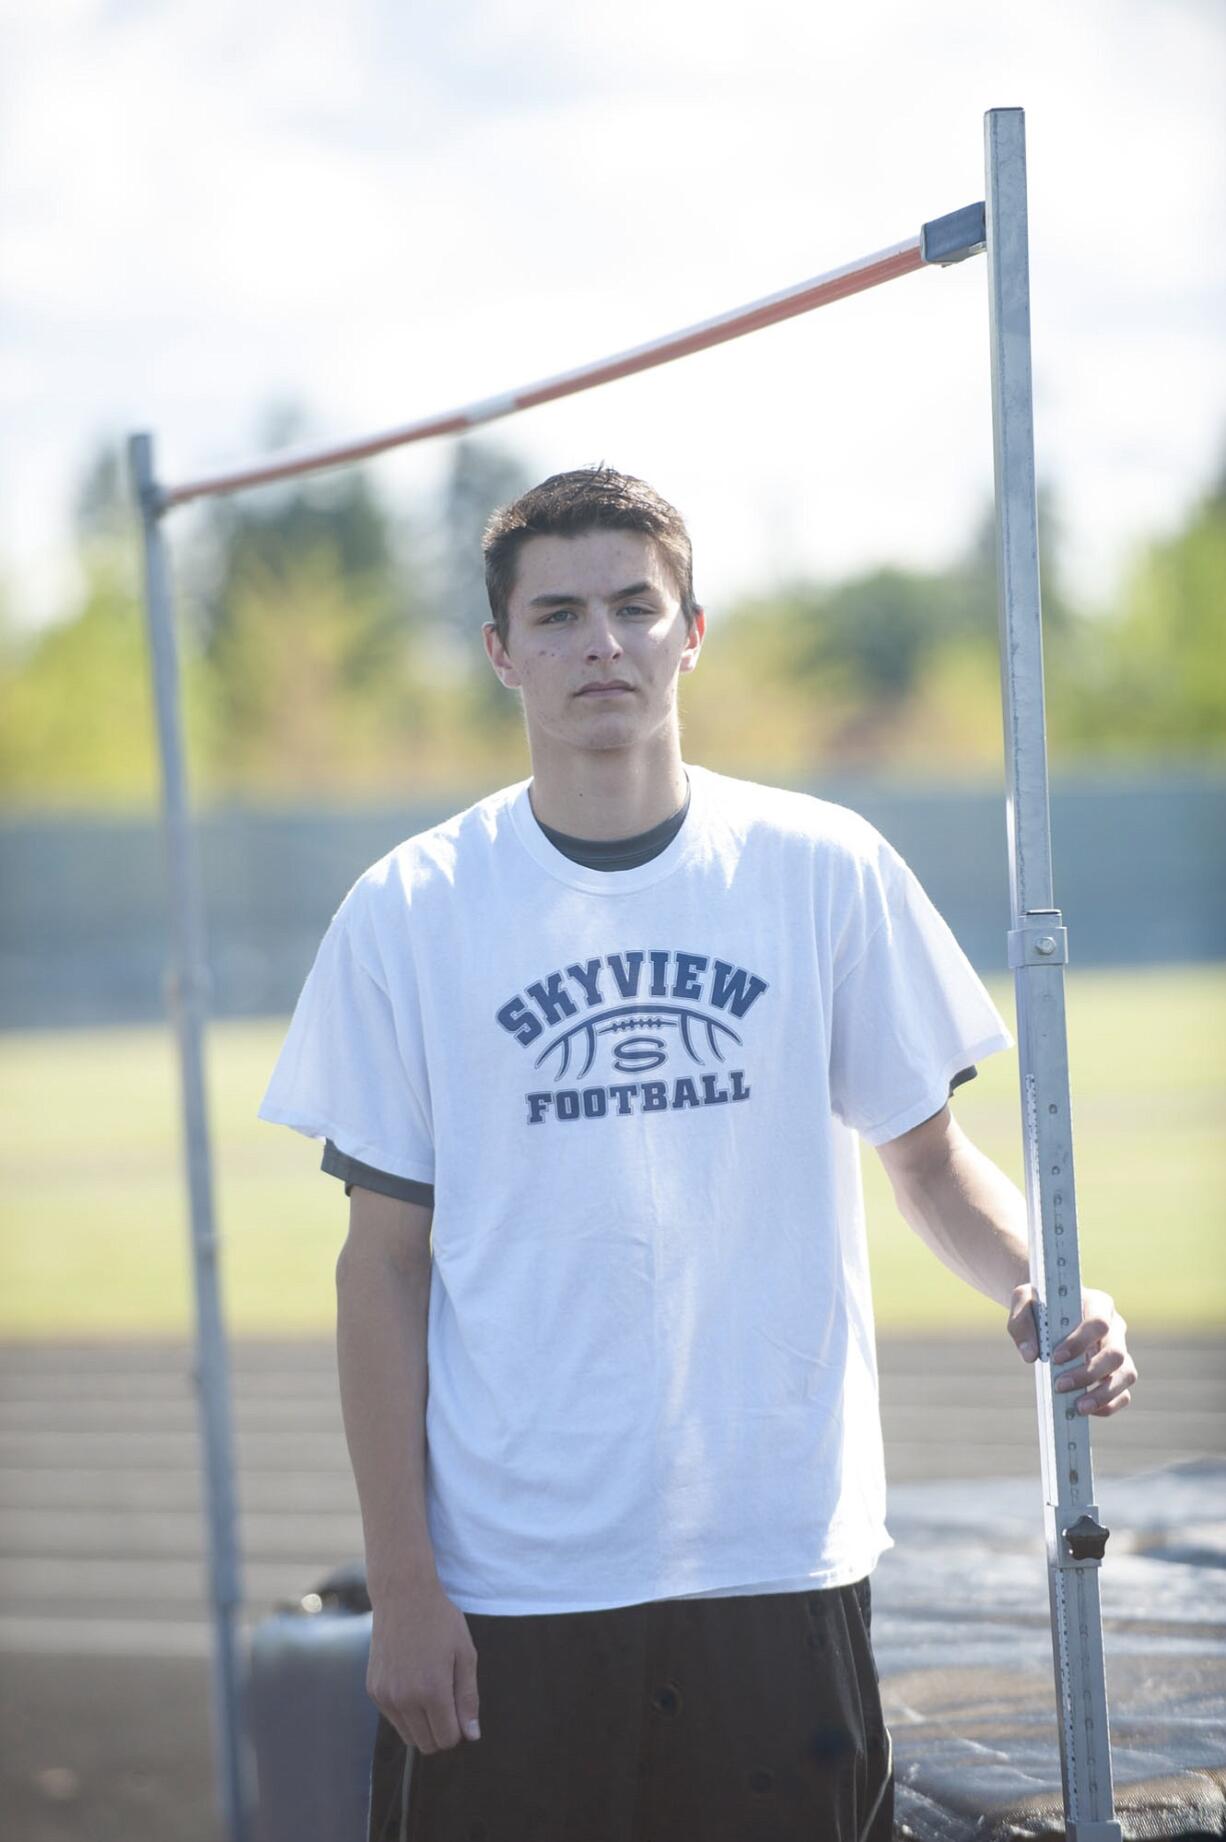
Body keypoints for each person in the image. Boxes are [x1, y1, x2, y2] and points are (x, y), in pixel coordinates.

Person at [258, 466, 1137, 1842]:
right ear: (501, 651)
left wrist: (1048, 1278)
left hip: (773, 1558)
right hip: (515, 1581)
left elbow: (927, 1160)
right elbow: (381, 1266)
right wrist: (407, 1586)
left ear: (691, 631)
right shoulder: (411, 909)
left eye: (632, 605)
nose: (598, 642)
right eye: (555, 615)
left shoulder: (820, 865)